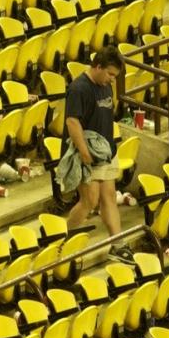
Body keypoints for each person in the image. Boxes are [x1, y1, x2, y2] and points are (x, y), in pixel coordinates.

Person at [62, 47, 133, 264]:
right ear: (98, 66)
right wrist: (84, 153)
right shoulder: (79, 88)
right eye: (110, 74)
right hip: (85, 154)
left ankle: (117, 244)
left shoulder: (105, 86)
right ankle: (61, 238)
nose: (112, 80)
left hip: (105, 152)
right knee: (89, 201)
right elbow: (72, 122)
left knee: (109, 197)